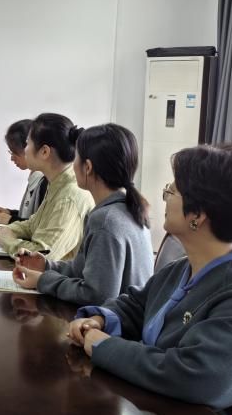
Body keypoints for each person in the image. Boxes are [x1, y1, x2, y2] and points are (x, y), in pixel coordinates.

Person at [68, 143, 232, 415]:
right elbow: (135, 305)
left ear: (198, 215)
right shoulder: (181, 268)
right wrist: (99, 319)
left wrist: (103, 346)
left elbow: (191, 375)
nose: (165, 196)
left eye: (173, 190)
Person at [12, 123, 154, 305]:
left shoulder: (105, 220)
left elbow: (96, 296)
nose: (72, 165)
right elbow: (85, 269)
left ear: (87, 167)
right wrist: (46, 266)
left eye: (76, 157)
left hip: (109, 321)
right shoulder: (127, 208)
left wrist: (42, 281)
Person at [0, 113, 93, 260]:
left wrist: (6, 240)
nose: (25, 150)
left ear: (44, 152)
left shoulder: (68, 196)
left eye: (27, 143)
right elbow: (33, 224)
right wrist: (2, 232)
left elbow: (42, 255)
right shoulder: (58, 182)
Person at [0, 119, 48, 224]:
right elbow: (30, 216)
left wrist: (10, 220)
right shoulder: (35, 177)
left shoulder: (45, 182)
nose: (12, 158)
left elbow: (39, 226)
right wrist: (10, 213)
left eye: (14, 152)